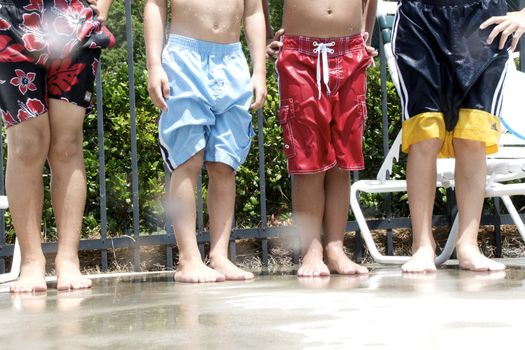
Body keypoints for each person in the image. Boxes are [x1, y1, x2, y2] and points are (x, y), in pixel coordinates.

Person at [393, 0, 525, 273]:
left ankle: (468, 245)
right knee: (424, 134)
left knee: (472, 136)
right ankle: (422, 246)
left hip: (483, 23)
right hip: (419, 20)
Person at [144, 0, 266, 283]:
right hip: (183, 58)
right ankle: (188, 258)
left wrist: (259, 70)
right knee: (188, 158)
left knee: (224, 163)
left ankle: (220, 256)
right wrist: (154, 65)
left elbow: (254, 11)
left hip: (232, 60)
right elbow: (155, 4)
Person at [0, 0, 115, 292]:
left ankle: (68, 259)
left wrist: (101, 7)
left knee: (66, 144)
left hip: (72, 17)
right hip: (9, 18)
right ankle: (31, 262)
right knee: (26, 145)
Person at [265, 0, 378, 277]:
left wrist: (365, 36)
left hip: (350, 51)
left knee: (342, 161)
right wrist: (267, 37)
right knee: (308, 162)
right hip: (300, 54)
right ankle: (311, 252)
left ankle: (335, 249)